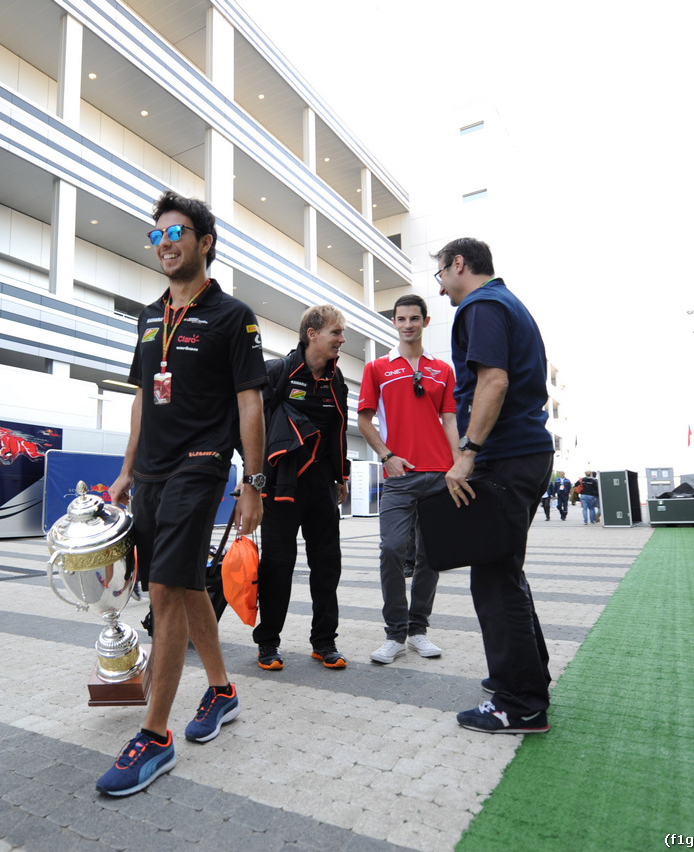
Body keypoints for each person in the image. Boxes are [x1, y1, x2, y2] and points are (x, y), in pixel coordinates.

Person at [97, 191, 267, 797]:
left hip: (201, 464)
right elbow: (143, 395)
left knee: (166, 587)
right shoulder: (148, 317)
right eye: (158, 235)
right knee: (187, 583)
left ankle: (155, 736)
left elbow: (250, 401)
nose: (166, 242)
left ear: (205, 242)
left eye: (178, 232)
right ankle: (221, 692)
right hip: (152, 472)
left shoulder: (233, 317)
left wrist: (253, 481)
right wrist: (126, 467)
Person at [435, 237, 555, 735]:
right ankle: (526, 679)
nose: (441, 289)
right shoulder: (508, 303)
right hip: (524, 453)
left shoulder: (480, 306)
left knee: (493, 576)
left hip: (504, 457)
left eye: (440, 275)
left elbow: (494, 381)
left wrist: (467, 454)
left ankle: (520, 703)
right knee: (506, 571)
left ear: (458, 264)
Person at [357, 294, 458, 664]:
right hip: (399, 475)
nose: (408, 324)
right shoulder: (378, 368)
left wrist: (458, 462)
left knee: (432, 556)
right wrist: (387, 456)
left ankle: (418, 630)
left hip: (438, 474)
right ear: (394, 323)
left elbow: (449, 420)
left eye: (415, 318)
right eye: (402, 319)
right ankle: (394, 634)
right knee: (392, 549)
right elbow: (364, 420)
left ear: (425, 322)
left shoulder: (442, 370)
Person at [253, 305, 351, 671]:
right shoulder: (278, 371)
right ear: (312, 334)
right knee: (278, 563)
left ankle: (324, 642)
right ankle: (268, 643)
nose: (342, 340)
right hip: (281, 483)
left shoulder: (336, 380)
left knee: (327, 564)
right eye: (336, 333)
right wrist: (253, 479)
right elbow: (252, 423)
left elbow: (339, 430)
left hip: (322, 484)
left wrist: (341, 476)